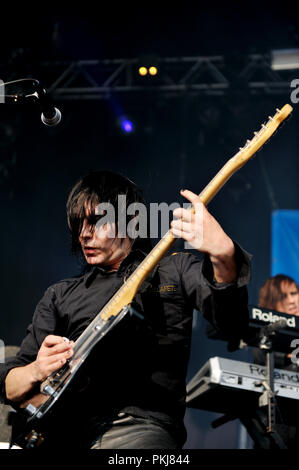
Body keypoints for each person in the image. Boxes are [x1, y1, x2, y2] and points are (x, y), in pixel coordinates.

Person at [0, 170, 251, 449]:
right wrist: (36, 369)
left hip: (138, 430)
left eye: (96, 222)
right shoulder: (60, 295)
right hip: (64, 433)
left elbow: (232, 323)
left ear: (131, 221)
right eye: (78, 223)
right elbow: (10, 386)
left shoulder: (172, 272)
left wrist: (224, 255)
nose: (84, 233)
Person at [247, 274, 299, 449]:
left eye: (294, 293)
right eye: (285, 296)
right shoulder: (264, 331)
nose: (292, 301)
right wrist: (289, 358)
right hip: (279, 424)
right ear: (272, 301)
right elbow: (261, 354)